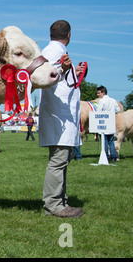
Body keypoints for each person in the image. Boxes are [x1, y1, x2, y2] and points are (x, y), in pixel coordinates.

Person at [38, 20, 86, 218]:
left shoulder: (53, 52)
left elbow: (58, 80)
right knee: (58, 161)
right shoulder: (53, 53)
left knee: (61, 160)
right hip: (58, 116)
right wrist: (63, 71)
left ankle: (60, 200)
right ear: (69, 35)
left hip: (60, 116)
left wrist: (72, 73)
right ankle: (54, 205)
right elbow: (45, 78)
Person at [96, 85, 121, 162]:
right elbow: (118, 110)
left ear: (103, 92)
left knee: (104, 141)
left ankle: (105, 156)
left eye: (98, 93)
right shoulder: (113, 100)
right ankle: (113, 157)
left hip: (104, 122)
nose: (97, 95)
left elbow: (98, 112)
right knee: (111, 141)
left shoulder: (102, 101)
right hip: (111, 122)